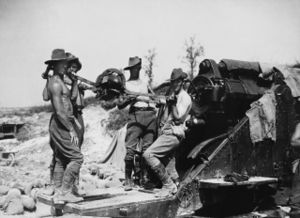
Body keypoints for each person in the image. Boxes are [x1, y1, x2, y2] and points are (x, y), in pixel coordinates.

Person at [143, 68, 192, 197]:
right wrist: (163, 103)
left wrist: (173, 104)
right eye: (172, 82)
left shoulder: (184, 98)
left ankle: (168, 185)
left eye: (176, 82)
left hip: (173, 133)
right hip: (167, 132)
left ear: (182, 82)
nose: (174, 85)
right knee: (168, 162)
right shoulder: (174, 97)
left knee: (148, 155)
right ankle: (176, 185)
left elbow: (179, 117)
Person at [44, 49, 83, 203]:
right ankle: (65, 192)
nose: (66, 66)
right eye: (64, 64)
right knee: (77, 157)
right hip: (61, 124)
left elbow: (71, 98)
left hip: (63, 122)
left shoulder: (60, 79)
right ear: (56, 64)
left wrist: (74, 82)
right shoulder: (54, 82)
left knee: (61, 158)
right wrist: (71, 129)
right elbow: (60, 112)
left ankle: (59, 191)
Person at [117, 56, 157, 191]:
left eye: (138, 67)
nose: (136, 70)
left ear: (140, 68)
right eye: (133, 68)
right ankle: (128, 180)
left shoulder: (145, 82)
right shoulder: (126, 85)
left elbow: (154, 97)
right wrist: (129, 99)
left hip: (150, 115)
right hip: (136, 115)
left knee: (148, 150)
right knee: (130, 150)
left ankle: (144, 179)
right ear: (130, 69)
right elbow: (120, 105)